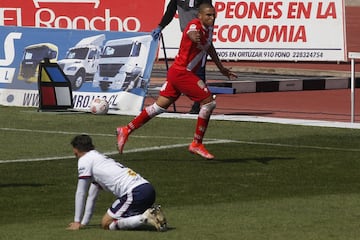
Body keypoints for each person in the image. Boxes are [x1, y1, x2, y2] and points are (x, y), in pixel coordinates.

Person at [116, 3, 237, 160]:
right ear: (199, 15)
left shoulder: (208, 30)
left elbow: (209, 47)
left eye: (213, 15)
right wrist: (192, 36)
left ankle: (126, 129)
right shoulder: (194, 25)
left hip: (178, 73)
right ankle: (196, 143)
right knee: (209, 102)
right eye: (208, 15)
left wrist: (221, 68)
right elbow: (191, 33)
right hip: (182, 73)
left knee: (159, 107)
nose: (212, 18)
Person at [67, 134, 167, 231]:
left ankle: (144, 218)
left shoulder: (84, 160)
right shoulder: (99, 158)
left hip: (134, 192)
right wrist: (83, 223)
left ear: (76, 148)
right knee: (118, 220)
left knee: (106, 223)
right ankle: (152, 216)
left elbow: (81, 192)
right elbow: (92, 196)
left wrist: (77, 221)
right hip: (147, 188)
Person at [152, 0, 213, 114]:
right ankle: (170, 94)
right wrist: (161, 26)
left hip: (200, 35)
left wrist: (206, 32)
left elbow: (208, 11)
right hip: (187, 34)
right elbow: (171, 10)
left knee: (198, 68)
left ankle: (198, 104)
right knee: (182, 65)